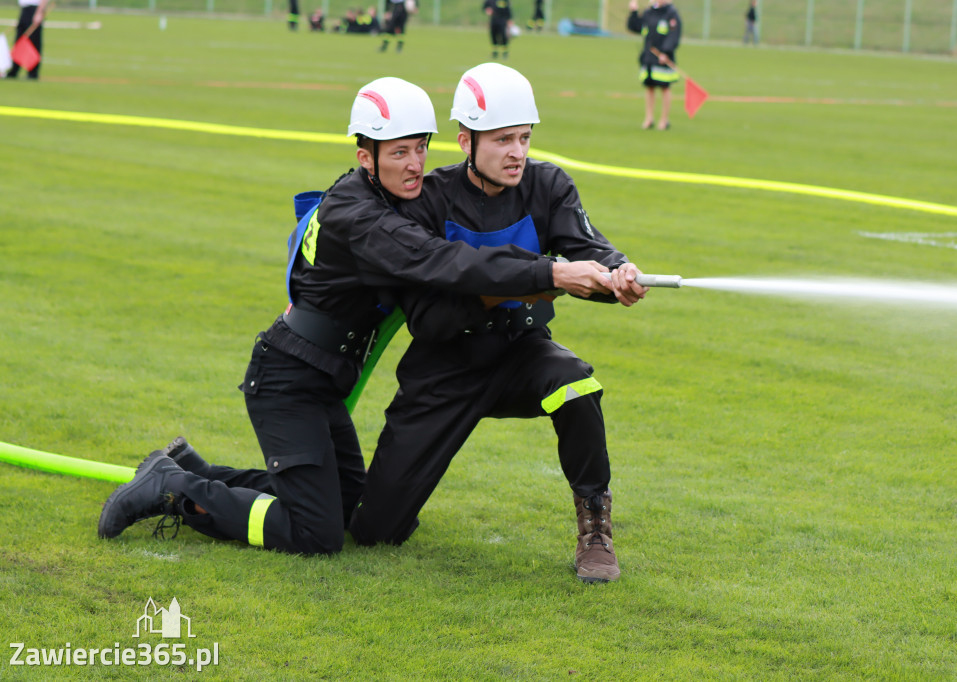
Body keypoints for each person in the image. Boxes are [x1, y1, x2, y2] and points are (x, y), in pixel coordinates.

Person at [96, 77, 613, 556]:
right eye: (398, 153)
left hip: (325, 381)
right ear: (367, 157)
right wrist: (551, 274)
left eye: (420, 149)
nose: (415, 165)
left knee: (346, 509)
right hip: (287, 379)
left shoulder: (393, 202)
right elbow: (440, 260)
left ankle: (191, 468)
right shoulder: (357, 212)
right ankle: (172, 489)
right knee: (315, 534)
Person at [348, 63, 648, 584]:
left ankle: (595, 528)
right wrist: (544, 278)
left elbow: (588, 249)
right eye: (503, 139)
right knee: (377, 531)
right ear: (466, 140)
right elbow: (430, 319)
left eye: (525, 137)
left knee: (577, 385)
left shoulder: (549, 186)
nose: (517, 152)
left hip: (521, 353)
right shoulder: (425, 201)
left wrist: (618, 271)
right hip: (443, 368)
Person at [627, 0, 682, 131]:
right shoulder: (649, 12)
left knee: (664, 87)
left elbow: (674, 35)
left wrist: (666, 52)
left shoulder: (671, 13)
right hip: (648, 57)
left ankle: (664, 120)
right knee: (649, 87)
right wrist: (633, 12)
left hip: (663, 58)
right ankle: (649, 118)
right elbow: (635, 27)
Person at [7, 0, 50, 80]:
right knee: (19, 40)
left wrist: (39, 13)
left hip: (34, 10)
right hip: (25, 10)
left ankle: (33, 72)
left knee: (34, 41)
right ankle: (14, 70)